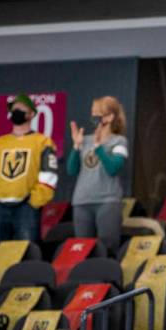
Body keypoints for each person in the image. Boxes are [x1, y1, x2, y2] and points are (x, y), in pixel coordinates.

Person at [0, 94, 60, 256]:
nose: (16, 111)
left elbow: (49, 176)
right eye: (13, 109)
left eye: (21, 108)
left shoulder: (43, 141)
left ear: (32, 114)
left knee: (27, 255)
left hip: (26, 208)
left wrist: (33, 202)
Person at [67, 96, 129, 253]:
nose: (93, 117)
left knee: (107, 248)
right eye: (92, 113)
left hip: (107, 201)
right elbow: (71, 170)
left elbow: (113, 168)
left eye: (98, 113)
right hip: (82, 201)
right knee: (83, 249)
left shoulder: (119, 141)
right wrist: (76, 146)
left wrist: (99, 147)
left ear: (109, 117)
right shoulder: (85, 140)